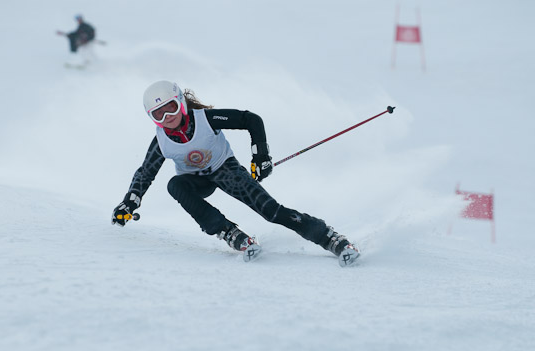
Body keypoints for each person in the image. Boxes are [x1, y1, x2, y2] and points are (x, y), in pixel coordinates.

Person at [111, 81, 360, 266]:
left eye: (171, 108)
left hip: (225, 170)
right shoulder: (162, 142)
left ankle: (330, 238)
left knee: (270, 211)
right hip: (196, 181)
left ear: (182, 103)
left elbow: (251, 120)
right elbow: (146, 172)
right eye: (158, 114)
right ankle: (227, 231)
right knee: (175, 185)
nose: (167, 117)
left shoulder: (206, 119)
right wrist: (129, 202)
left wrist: (260, 156)